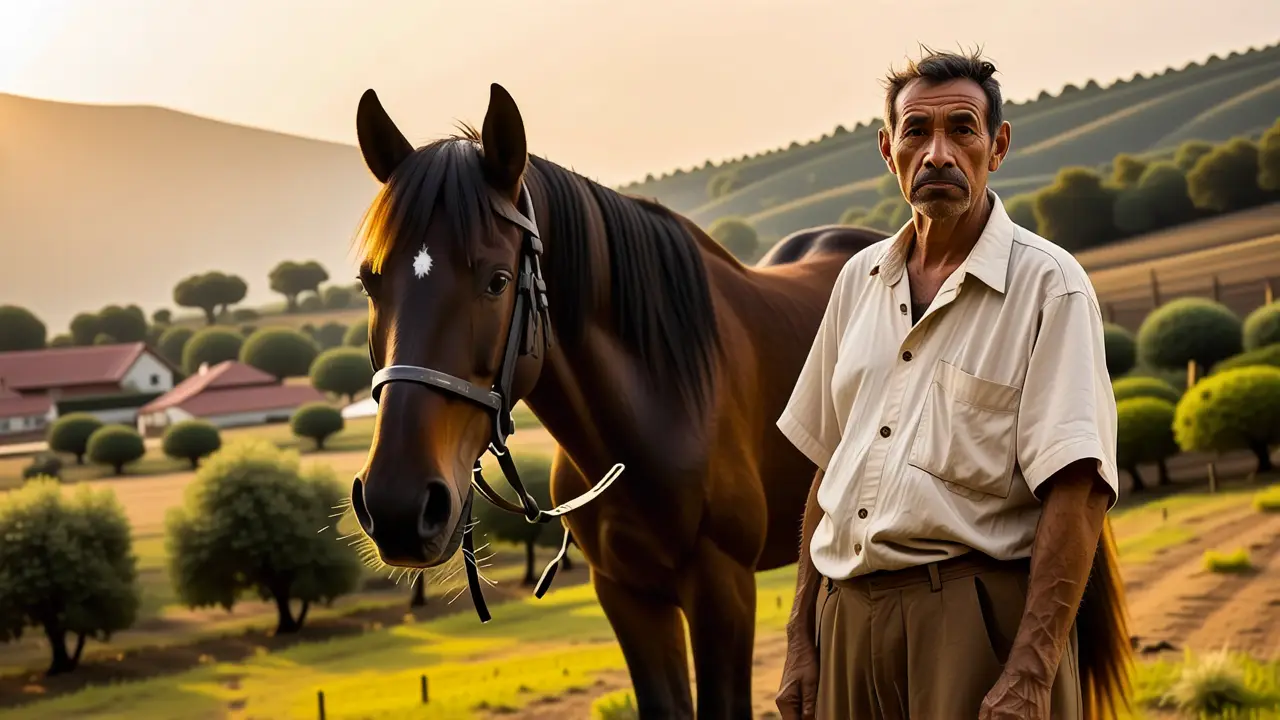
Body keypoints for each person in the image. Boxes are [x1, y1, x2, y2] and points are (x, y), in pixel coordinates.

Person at [773, 47, 1119, 720]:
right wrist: (801, 638)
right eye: (916, 132)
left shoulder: (1050, 286)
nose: (937, 152)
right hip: (845, 624)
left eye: (962, 128)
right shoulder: (857, 281)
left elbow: (1076, 494)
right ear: (887, 150)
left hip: (973, 627)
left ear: (998, 145)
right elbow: (831, 468)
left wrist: (1030, 672)